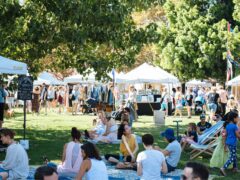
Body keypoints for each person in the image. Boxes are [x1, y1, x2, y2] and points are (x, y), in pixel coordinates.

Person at [220, 111, 240, 176]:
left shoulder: (228, 125)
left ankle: (235, 168)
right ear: (234, 118)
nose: (238, 119)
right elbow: (237, 135)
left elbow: (226, 135)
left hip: (228, 142)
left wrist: (225, 145)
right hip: (233, 143)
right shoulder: (235, 126)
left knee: (233, 155)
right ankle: (223, 168)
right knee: (232, 156)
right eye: (237, 118)